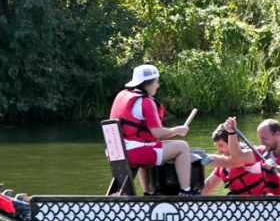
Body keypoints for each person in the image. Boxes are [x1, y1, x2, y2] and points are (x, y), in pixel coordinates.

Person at [109, 64, 196, 195]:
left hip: (114, 153)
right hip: (134, 153)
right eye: (156, 82)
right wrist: (178, 130)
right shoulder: (146, 102)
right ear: (146, 83)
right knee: (182, 146)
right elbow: (159, 133)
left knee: (149, 145)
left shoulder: (121, 95)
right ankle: (186, 191)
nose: (158, 85)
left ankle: (148, 192)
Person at [202, 117, 266, 196]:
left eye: (221, 145)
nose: (218, 150)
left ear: (231, 143)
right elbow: (208, 185)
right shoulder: (222, 166)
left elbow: (234, 162)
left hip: (262, 203)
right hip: (239, 205)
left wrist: (200, 158)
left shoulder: (248, 155)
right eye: (217, 146)